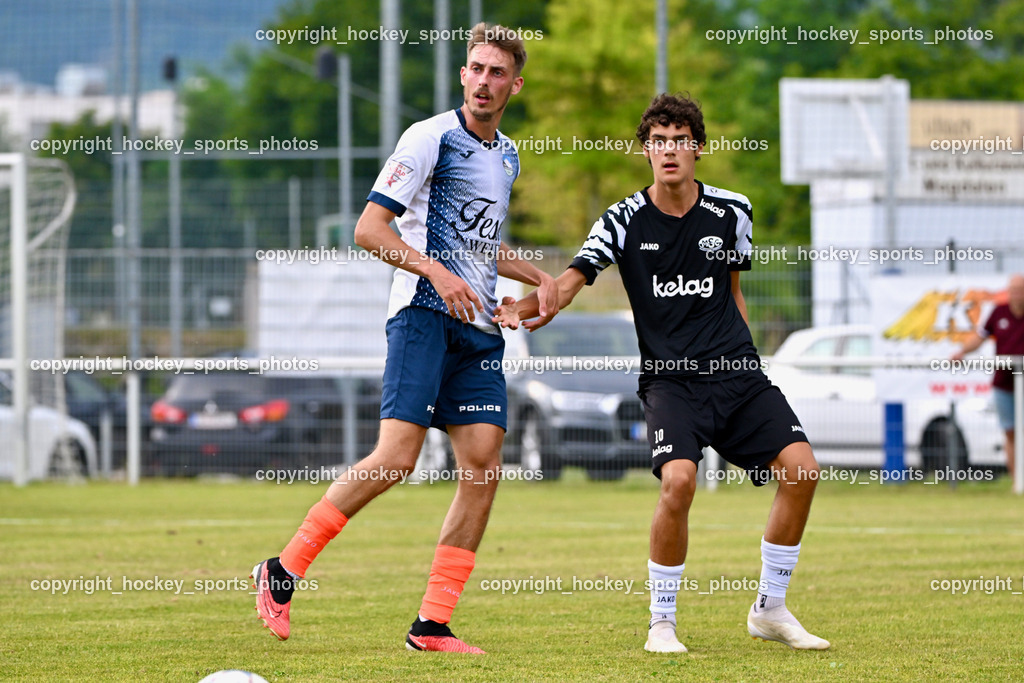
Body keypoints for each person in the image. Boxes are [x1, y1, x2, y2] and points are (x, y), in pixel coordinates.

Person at [252, 23, 557, 654]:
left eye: (498, 73)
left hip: (478, 330)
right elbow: (369, 230)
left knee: (484, 468)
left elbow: (480, 244)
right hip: (422, 315)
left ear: (515, 86)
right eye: (476, 69)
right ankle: (282, 570)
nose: (484, 81)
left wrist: (539, 277)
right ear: (463, 75)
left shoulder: (507, 156)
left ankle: (432, 624)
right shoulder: (428, 137)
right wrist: (434, 271)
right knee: (396, 458)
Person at [493, 93, 829, 653]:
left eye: (679, 141)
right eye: (658, 142)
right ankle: (662, 623)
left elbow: (733, 292)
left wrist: (746, 359)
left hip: (738, 375)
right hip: (671, 382)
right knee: (679, 481)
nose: (669, 151)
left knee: (802, 471)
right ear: (646, 151)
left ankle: (770, 609)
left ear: (697, 149)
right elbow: (569, 283)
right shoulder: (622, 220)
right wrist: (524, 308)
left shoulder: (734, 211)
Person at [951, 274, 1024, 479]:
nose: (1017, 294)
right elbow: (980, 337)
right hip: (1003, 383)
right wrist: (962, 352)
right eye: (1014, 290)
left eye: (1020, 290)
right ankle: (1017, 482)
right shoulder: (999, 312)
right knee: (1010, 432)